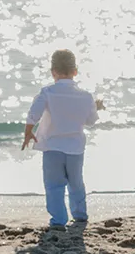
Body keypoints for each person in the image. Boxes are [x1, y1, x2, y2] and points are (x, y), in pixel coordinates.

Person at [21, 49, 103, 229]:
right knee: (76, 183)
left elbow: (34, 113)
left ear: (53, 71)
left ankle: (58, 220)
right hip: (75, 148)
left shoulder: (48, 92)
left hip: (52, 147)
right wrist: (96, 107)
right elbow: (90, 121)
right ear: (75, 71)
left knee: (54, 186)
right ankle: (80, 216)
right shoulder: (86, 96)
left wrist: (28, 132)